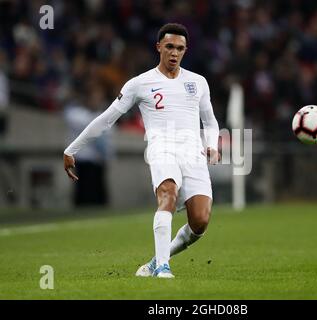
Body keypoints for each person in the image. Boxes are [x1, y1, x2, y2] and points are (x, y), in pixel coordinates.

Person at [63, 23, 220, 278]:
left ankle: (155, 261)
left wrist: (212, 144)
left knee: (200, 221)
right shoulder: (140, 83)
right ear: (159, 47)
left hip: (193, 154)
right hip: (162, 149)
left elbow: (210, 121)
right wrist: (72, 149)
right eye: (169, 46)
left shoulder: (198, 82)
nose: (174, 53)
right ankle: (163, 268)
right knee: (167, 194)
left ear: (185, 50)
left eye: (180, 48)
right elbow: (106, 119)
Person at [64, 83, 111, 207]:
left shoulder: (101, 115)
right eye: (94, 98)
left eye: (99, 98)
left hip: (99, 160)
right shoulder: (76, 114)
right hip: (83, 160)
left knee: (99, 193)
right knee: (83, 193)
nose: (96, 101)